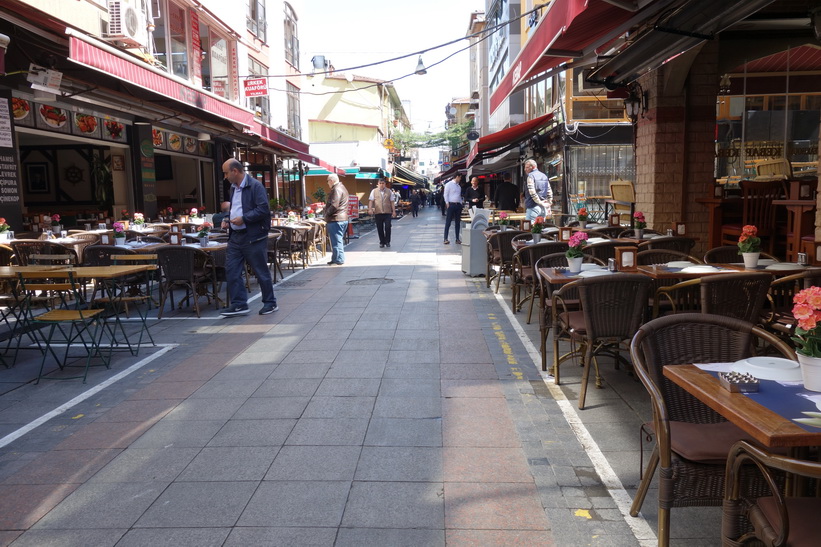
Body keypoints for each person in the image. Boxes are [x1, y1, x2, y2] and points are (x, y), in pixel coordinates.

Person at [219, 159, 277, 316]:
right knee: (231, 270)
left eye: (226, 173)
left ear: (235, 171)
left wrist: (244, 218)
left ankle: (270, 303)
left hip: (253, 236)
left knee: (260, 271)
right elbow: (235, 208)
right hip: (235, 236)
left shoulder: (255, 186)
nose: (225, 176)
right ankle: (239, 304)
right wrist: (227, 219)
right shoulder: (233, 188)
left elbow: (263, 209)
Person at [324, 173, 350, 265]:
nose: (327, 183)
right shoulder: (342, 187)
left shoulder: (336, 189)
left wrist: (326, 214)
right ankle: (335, 258)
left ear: (331, 181)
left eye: (328, 181)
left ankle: (339, 259)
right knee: (337, 239)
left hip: (336, 218)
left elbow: (334, 205)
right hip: (342, 218)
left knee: (337, 240)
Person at [368, 179, 396, 248]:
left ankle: (387, 241)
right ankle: (382, 242)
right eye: (380, 183)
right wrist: (370, 209)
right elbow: (371, 201)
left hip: (387, 212)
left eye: (383, 183)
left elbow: (392, 201)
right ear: (378, 184)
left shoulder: (389, 191)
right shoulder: (374, 191)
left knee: (387, 227)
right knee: (379, 228)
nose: (381, 184)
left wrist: (394, 211)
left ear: (385, 184)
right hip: (378, 212)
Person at [443, 173, 464, 245]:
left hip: (458, 205)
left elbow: (459, 196)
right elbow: (445, 194)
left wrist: (461, 203)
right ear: (457, 177)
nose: (460, 179)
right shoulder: (449, 184)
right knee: (448, 222)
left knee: (457, 223)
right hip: (451, 205)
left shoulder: (459, 187)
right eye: (460, 178)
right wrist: (447, 203)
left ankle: (457, 239)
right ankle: (445, 238)